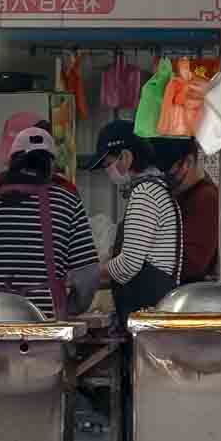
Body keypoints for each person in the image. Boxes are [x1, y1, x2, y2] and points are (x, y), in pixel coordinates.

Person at [0, 121, 97, 319]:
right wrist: (71, 308)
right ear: (50, 163)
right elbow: (87, 274)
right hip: (43, 321)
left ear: (12, 160)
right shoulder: (67, 200)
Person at [84, 119, 185, 321]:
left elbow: (129, 264)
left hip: (149, 314)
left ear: (126, 157)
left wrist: (91, 274)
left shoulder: (145, 194)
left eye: (107, 163)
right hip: (153, 311)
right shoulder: (156, 189)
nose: (108, 171)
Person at [159, 138, 220, 285]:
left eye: (170, 172)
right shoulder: (182, 195)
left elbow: (193, 264)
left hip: (190, 292)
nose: (166, 179)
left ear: (188, 163)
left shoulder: (205, 198)